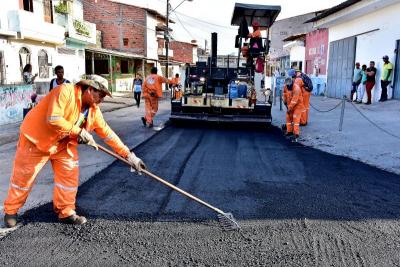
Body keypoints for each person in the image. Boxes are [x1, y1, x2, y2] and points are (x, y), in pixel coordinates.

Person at [3, 75, 147, 228]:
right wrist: (78, 132)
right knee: (24, 178)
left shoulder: (93, 111)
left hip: (62, 144)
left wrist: (130, 156)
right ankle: (11, 211)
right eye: (101, 94)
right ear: (91, 89)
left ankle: (65, 212)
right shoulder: (65, 91)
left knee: (69, 176)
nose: (102, 99)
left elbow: (108, 134)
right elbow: (53, 118)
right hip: (36, 139)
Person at [283, 69, 305, 141]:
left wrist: (289, 108)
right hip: (290, 105)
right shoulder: (286, 86)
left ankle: (296, 133)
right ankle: (289, 131)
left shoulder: (297, 88)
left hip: (298, 106)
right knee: (288, 117)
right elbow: (284, 94)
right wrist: (285, 101)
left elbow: (294, 101)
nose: (288, 87)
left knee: (295, 118)